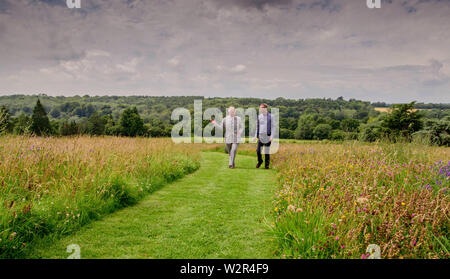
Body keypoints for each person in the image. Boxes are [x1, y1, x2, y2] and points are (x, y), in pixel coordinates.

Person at [253, 103, 276, 169]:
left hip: (268, 136)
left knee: (266, 151)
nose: (260, 109)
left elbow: (273, 127)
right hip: (261, 136)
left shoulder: (271, 116)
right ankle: (260, 161)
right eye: (260, 108)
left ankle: (266, 165)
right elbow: (257, 127)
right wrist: (255, 136)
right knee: (258, 151)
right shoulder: (259, 116)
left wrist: (272, 136)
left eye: (261, 108)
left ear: (265, 108)